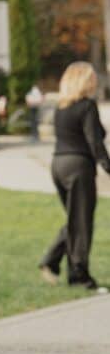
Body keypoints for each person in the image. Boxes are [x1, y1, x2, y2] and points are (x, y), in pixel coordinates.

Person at [39, 61, 110, 290]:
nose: (95, 82)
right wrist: (107, 166)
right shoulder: (87, 105)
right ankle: (79, 276)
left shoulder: (61, 108)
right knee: (82, 222)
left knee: (74, 220)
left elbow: (91, 132)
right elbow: (94, 140)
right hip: (79, 167)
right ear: (83, 81)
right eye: (92, 78)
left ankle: (53, 263)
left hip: (58, 165)